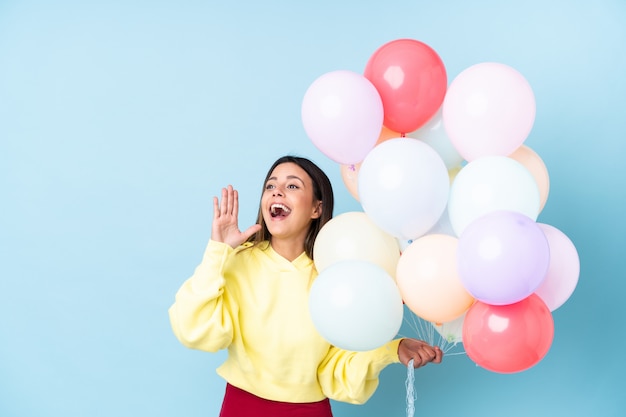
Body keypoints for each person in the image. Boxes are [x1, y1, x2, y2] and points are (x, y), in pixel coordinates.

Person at [168, 155, 443, 417]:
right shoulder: (237, 261)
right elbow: (195, 331)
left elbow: (337, 370)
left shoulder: (333, 273)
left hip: (309, 411)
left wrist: (390, 351)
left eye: (291, 186)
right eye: (270, 186)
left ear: (316, 208)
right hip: (243, 406)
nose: (277, 192)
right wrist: (219, 252)